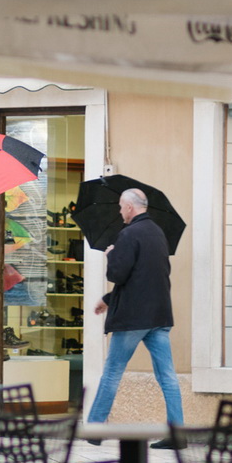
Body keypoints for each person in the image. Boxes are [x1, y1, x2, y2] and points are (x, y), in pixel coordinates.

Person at [87, 188, 185, 449]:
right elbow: (144, 277)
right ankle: (177, 433)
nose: (120, 211)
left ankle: (94, 428)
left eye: (121, 206)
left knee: (112, 372)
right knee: (167, 376)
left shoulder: (129, 234)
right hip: (159, 315)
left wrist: (111, 255)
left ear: (130, 207)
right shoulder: (157, 232)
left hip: (133, 318)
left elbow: (118, 274)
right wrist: (108, 299)